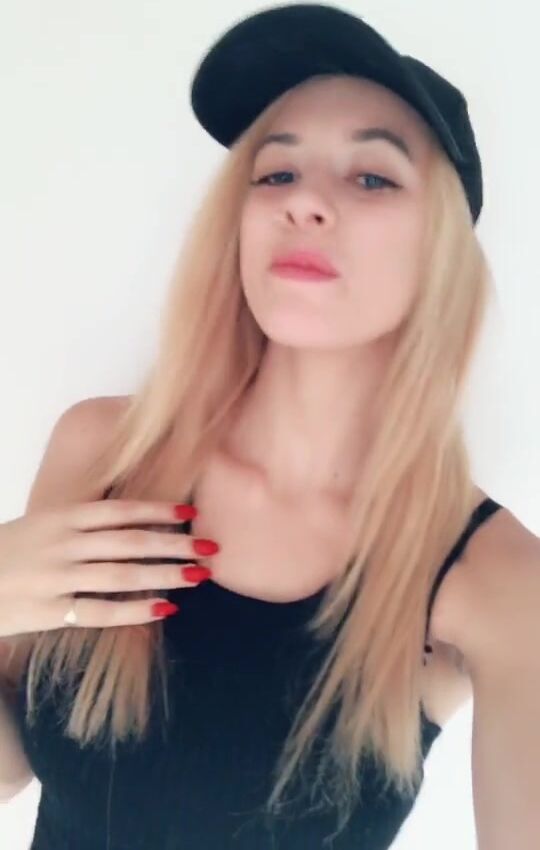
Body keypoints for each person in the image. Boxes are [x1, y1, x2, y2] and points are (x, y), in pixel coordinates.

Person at [0, 4, 507, 848]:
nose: (304, 199)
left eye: (373, 177)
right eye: (275, 174)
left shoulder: (488, 576)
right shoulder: (104, 451)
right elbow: (8, 769)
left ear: (443, 250)